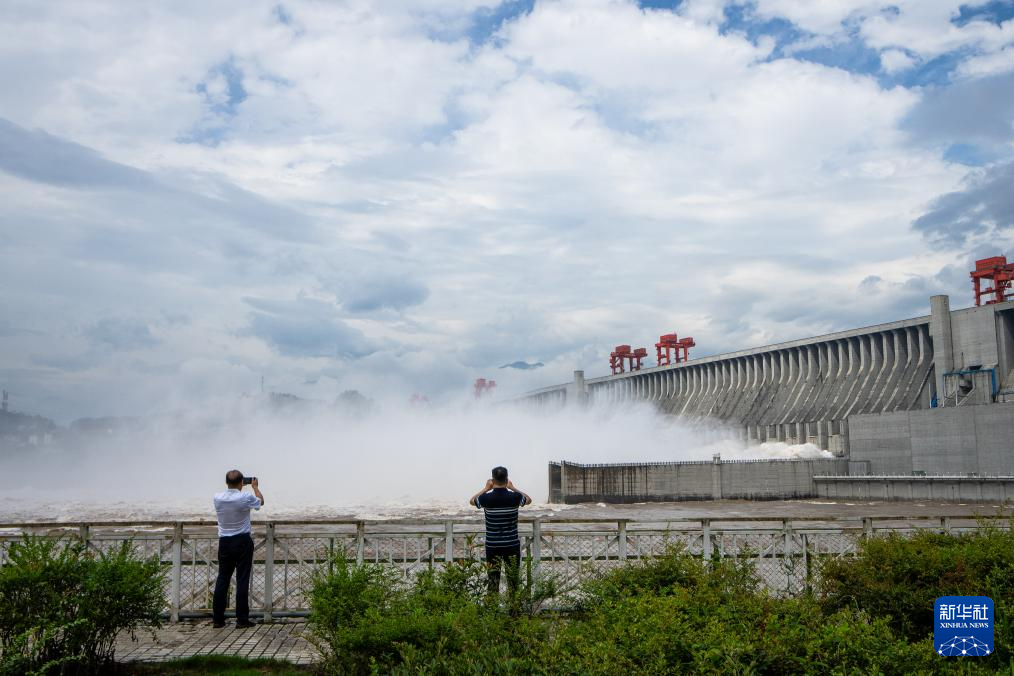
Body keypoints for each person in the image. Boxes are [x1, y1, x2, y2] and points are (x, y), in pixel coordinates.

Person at [212, 470, 264, 628]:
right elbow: (260, 502)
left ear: (226, 482)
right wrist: (255, 487)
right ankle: (242, 620)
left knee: (222, 579)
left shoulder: (217, 498)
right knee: (242, 580)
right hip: (242, 541)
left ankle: (218, 620)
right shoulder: (245, 497)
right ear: (242, 482)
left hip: (224, 543)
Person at [469, 466, 532, 596]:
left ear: (492, 480)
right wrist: (513, 487)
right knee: (513, 582)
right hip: (512, 545)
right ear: (507, 479)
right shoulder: (515, 497)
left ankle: (493, 613)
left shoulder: (485, 498)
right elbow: (529, 499)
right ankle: (515, 613)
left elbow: (471, 501)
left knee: (493, 581)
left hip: (493, 546)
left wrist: (486, 488)